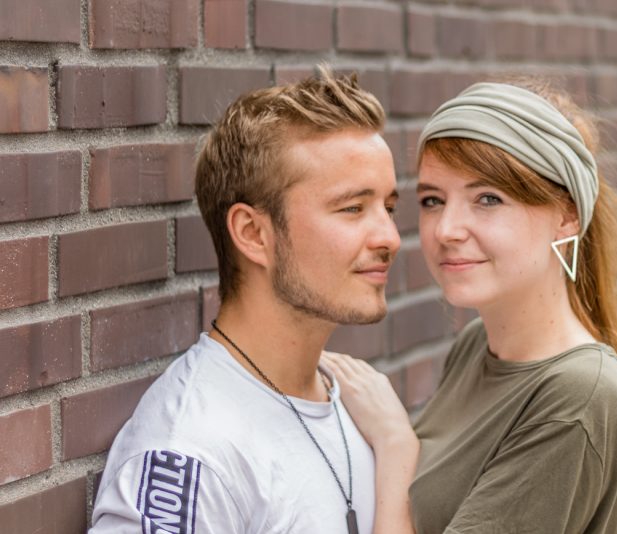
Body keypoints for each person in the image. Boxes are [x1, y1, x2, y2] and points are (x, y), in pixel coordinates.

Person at [90, 66, 412, 533]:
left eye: (389, 208)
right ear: (253, 233)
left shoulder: (360, 405)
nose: (390, 236)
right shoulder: (189, 452)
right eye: (352, 208)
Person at [324, 78, 617, 533]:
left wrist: (395, 441)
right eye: (433, 200)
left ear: (566, 217)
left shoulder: (580, 395)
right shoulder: (478, 345)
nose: (447, 230)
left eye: (488, 199)